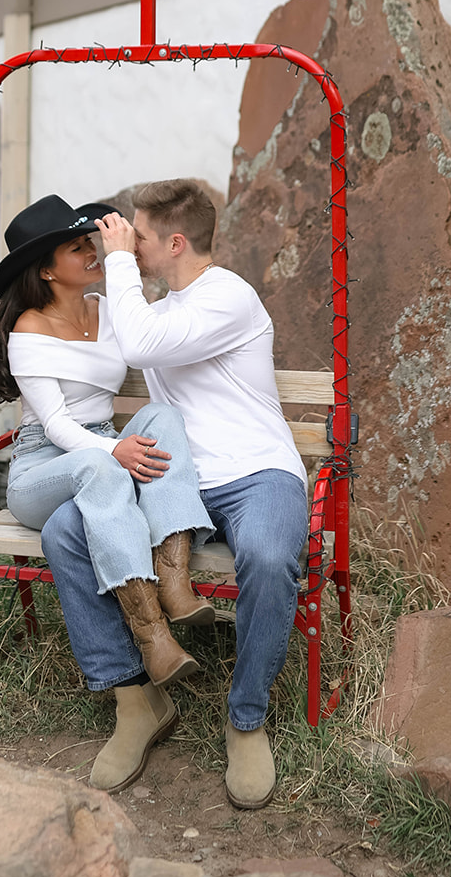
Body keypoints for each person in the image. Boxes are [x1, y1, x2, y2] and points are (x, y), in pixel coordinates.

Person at [41, 179, 307, 809]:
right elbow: (100, 337)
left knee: (269, 558)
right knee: (63, 532)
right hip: (171, 477)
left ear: (177, 243)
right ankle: (135, 699)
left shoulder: (228, 297)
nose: (128, 243)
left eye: (140, 235)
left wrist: (117, 263)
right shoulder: (152, 308)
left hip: (255, 474)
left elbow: (138, 345)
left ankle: (245, 718)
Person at [0, 194, 216, 787]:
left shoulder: (108, 309)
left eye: (90, 243)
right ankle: (153, 637)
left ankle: (169, 595)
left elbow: (157, 327)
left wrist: (129, 254)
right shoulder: (28, 331)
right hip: (45, 466)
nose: (90, 253)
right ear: (45, 269)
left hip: (105, 459)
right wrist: (110, 450)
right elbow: (59, 426)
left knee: (154, 428)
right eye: (76, 248)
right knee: (92, 476)